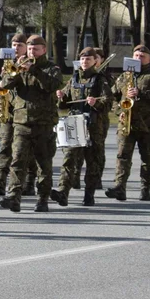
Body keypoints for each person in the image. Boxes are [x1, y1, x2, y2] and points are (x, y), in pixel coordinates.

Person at [0, 34, 61, 213]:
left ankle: (42, 199)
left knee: (43, 164)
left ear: (44, 50)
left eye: (36, 49)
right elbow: (3, 87)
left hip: (43, 123)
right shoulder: (20, 67)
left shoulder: (51, 68)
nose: (32, 52)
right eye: (30, 49)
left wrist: (34, 70)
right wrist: (12, 71)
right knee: (17, 161)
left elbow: (52, 85)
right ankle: (13, 197)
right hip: (21, 122)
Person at [106, 44, 150, 202]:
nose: (138, 58)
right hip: (127, 123)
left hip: (147, 125)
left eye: (142, 56)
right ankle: (120, 187)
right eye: (136, 56)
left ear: (149, 59)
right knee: (122, 157)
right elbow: (111, 97)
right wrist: (119, 111)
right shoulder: (124, 77)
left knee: (147, 159)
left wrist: (141, 93)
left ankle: (145, 188)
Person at [53, 47, 112, 207]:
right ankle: (63, 192)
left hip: (93, 125)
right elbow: (64, 103)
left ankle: (89, 195)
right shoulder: (73, 79)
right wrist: (61, 97)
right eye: (83, 59)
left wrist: (96, 102)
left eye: (89, 59)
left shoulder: (100, 79)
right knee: (69, 159)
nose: (85, 62)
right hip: (74, 123)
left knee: (93, 161)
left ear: (95, 61)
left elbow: (108, 102)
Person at [0, 34, 35, 197]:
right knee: (5, 146)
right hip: (9, 110)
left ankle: (28, 182)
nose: (16, 48)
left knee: (26, 150)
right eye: (14, 45)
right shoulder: (8, 64)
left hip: (26, 112)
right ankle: (0, 180)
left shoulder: (32, 64)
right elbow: (0, 87)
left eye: (19, 45)